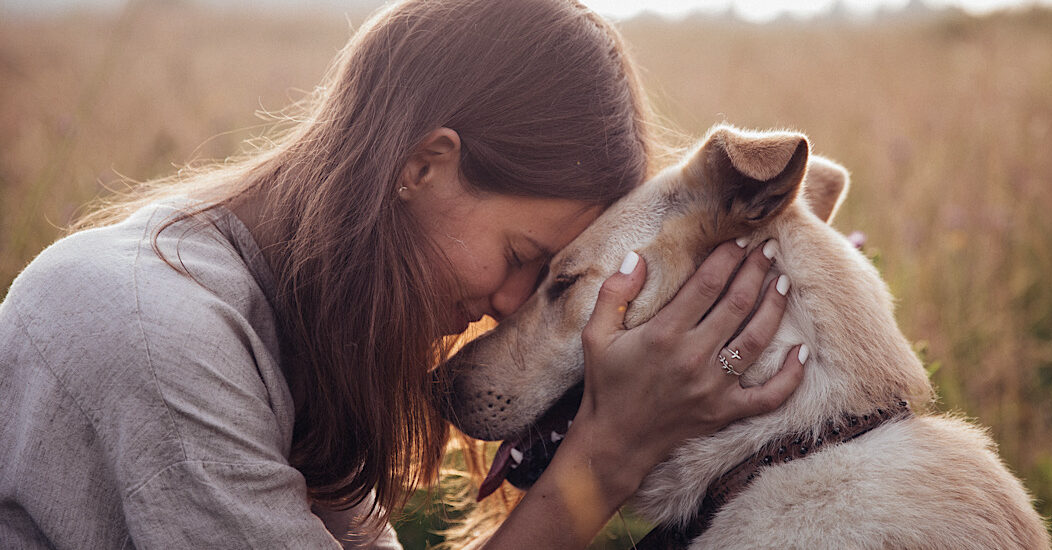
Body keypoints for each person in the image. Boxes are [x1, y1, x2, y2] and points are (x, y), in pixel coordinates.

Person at [0, 0, 805, 548]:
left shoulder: (295, 323)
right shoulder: (155, 334)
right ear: (425, 165)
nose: (509, 305)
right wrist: (612, 449)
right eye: (523, 259)